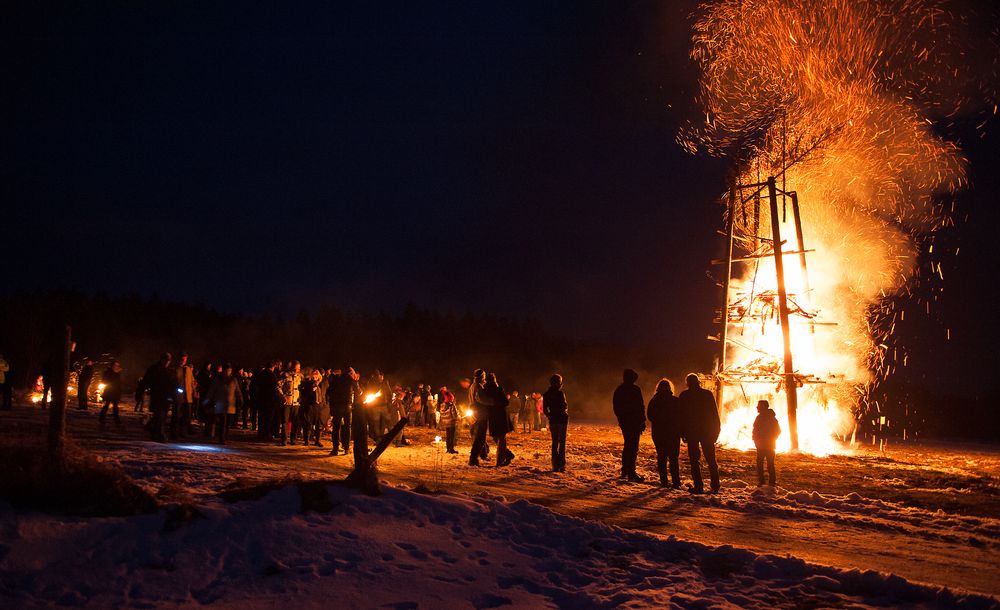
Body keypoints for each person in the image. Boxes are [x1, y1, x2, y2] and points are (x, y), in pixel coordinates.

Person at [678, 373, 721, 494]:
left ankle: (698, 486)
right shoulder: (707, 394)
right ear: (698, 382)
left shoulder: (685, 395)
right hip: (707, 432)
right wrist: (716, 431)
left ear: (687, 383)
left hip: (692, 433)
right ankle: (715, 485)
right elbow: (714, 414)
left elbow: (681, 417)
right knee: (711, 460)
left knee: (694, 461)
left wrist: (682, 433)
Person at [647, 378, 681, 488]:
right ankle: (676, 483)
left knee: (661, 457)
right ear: (670, 388)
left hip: (659, 433)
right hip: (673, 434)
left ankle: (664, 482)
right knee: (673, 459)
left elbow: (650, 416)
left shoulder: (654, 401)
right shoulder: (675, 401)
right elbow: (682, 417)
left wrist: (660, 421)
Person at [613, 368, 646, 482]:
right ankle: (631, 472)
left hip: (626, 423)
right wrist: (642, 421)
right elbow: (640, 406)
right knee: (632, 447)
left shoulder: (620, 390)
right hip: (634, 423)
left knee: (628, 445)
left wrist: (621, 419)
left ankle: (625, 470)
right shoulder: (635, 389)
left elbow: (616, 407)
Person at [140, 353, 175, 442]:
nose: (167, 362)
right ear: (162, 359)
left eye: (169, 360)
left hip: (166, 397)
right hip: (157, 395)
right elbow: (146, 380)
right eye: (166, 360)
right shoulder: (154, 369)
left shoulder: (170, 370)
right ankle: (160, 435)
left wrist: (174, 392)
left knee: (162, 416)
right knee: (160, 415)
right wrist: (145, 390)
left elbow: (173, 382)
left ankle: (152, 430)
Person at [205, 363, 243, 444]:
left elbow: (237, 391)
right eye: (227, 370)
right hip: (220, 403)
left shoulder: (233, 379)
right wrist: (207, 400)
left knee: (227, 423)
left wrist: (240, 399)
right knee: (223, 422)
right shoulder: (218, 379)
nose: (228, 372)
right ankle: (221, 438)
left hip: (230, 405)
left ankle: (225, 436)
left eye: (229, 370)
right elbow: (212, 391)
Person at [327, 366, 356, 456]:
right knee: (347, 427)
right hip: (347, 406)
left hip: (337, 406)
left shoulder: (336, 380)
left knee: (336, 427)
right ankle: (346, 448)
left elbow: (329, 392)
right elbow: (359, 391)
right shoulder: (351, 380)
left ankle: (335, 449)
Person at [542, 374, 568, 472]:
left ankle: (555, 464)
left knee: (554, 442)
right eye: (560, 381)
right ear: (558, 383)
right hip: (561, 420)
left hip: (553, 421)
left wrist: (550, 416)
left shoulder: (546, 394)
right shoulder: (560, 393)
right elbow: (564, 406)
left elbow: (545, 409)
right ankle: (561, 465)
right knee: (562, 442)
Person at [486, 372, 512, 467]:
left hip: (492, 416)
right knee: (501, 439)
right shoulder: (498, 389)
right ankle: (501, 460)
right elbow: (506, 402)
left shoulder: (485, 390)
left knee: (496, 437)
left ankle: (506, 456)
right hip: (500, 416)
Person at [752, 400, 781, 486]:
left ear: (762, 407)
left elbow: (777, 431)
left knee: (761, 464)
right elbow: (778, 431)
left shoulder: (760, 418)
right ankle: (771, 482)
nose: (757, 407)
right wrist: (772, 439)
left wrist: (758, 439)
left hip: (763, 445)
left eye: (758, 406)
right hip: (768, 445)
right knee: (770, 464)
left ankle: (763, 482)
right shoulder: (772, 418)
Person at [467, 369, 492, 466]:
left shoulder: (473, 386)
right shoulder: (478, 386)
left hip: (475, 413)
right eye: (484, 376)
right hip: (480, 414)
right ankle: (473, 458)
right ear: (482, 376)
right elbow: (481, 400)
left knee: (479, 435)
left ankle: (484, 453)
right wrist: (491, 403)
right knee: (480, 437)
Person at [299, 368, 329, 447]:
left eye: (317, 373)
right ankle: (306, 440)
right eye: (314, 373)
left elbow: (326, 394)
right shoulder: (308, 383)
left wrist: (325, 404)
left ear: (319, 375)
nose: (315, 375)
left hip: (320, 406)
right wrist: (312, 388)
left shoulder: (323, 383)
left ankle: (318, 440)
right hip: (310, 405)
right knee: (308, 423)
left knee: (319, 424)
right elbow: (304, 394)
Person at [278, 361, 303, 446]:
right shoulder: (285, 375)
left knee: (295, 422)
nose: (299, 369)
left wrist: (300, 397)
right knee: (285, 421)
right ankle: (284, 439)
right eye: (298, 367)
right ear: (293, 367)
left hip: (296, 403)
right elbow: (278, 386)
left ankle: (293, 439)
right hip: (287, 402)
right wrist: (282, 396)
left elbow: (301, 388)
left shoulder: (299, 377)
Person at [173, 352, 196, 438]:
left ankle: (183, 432)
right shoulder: (175, 369)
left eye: (185, 359)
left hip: (188, 397)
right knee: (177, 415)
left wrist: (194, 390)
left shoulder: (188, 369)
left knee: (186, 416)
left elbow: (192, 381)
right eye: (182, 359)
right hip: (178, 397)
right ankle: (174, 432)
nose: (183, 361)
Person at [437, 385, 459, 453]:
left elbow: (443, 415)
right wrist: (459, 417)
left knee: (448, 436)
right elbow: (455, 415)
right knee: (452, 436)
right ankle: (451, 449)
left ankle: (448, 448)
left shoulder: (442, 405)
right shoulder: (452, 406)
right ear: (451, 398)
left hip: (446, 423)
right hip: (452, 423)